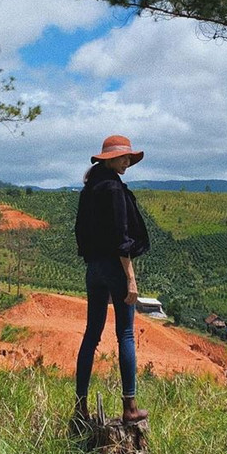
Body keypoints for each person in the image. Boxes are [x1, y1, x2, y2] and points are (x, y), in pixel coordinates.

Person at [73, 134, 150, 425]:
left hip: (93, 269)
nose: (128, 161)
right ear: (110, 158)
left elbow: (79, 232)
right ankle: (129, 407)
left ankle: (80, 407)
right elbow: (121, 239)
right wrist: (130, 278)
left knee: (91, 336)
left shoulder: (89, 188)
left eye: (129, 157)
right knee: (126, 334)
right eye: (124, 157)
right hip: (115, 268)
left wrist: (95, 263)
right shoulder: (114, 190)